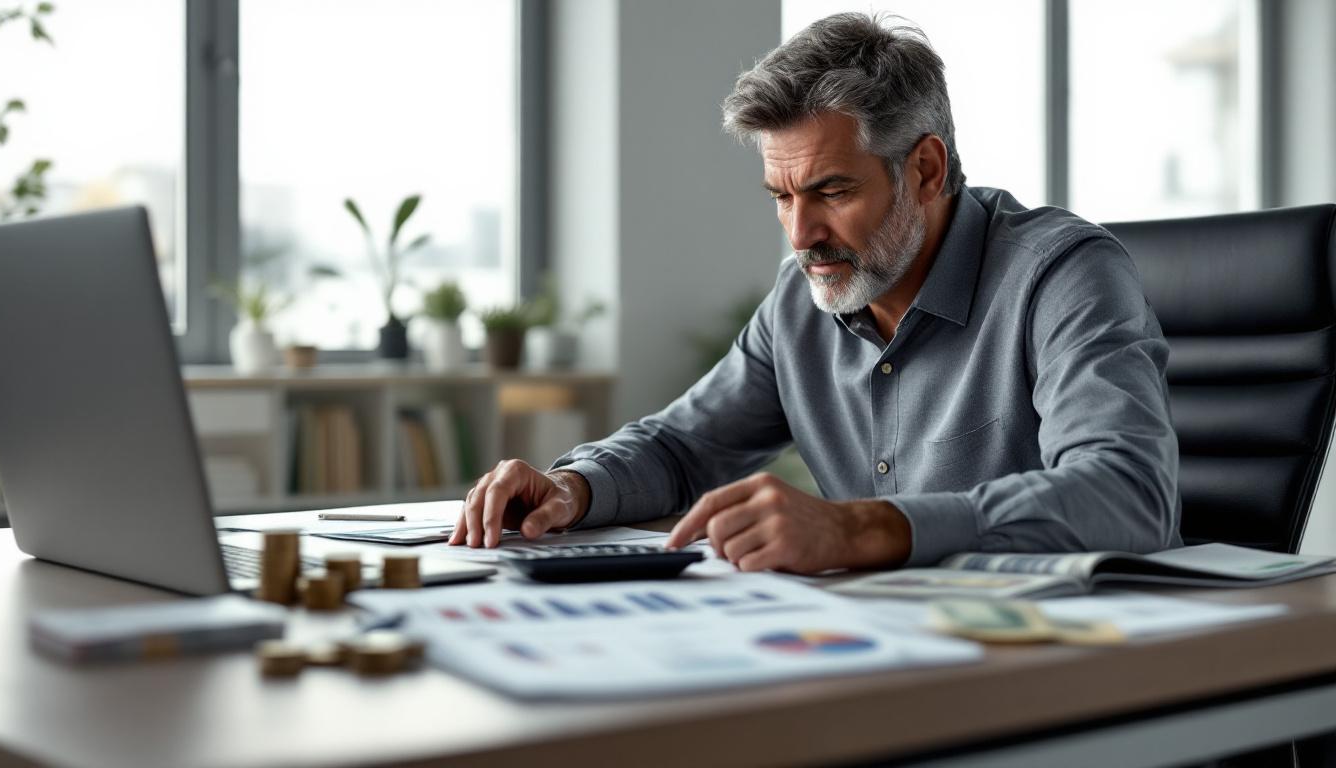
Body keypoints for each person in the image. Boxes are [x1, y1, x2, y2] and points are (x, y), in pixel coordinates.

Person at [448, 12, 1181, 573]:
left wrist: (858, 528)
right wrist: (573, 487)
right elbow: (683, 447)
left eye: (831, 190)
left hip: (1075, 665)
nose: (801, 235)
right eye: (781, 196)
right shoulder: (804, 299)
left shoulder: (1063, 274)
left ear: (925, 170)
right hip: (892, 651)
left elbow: (1127, 494)